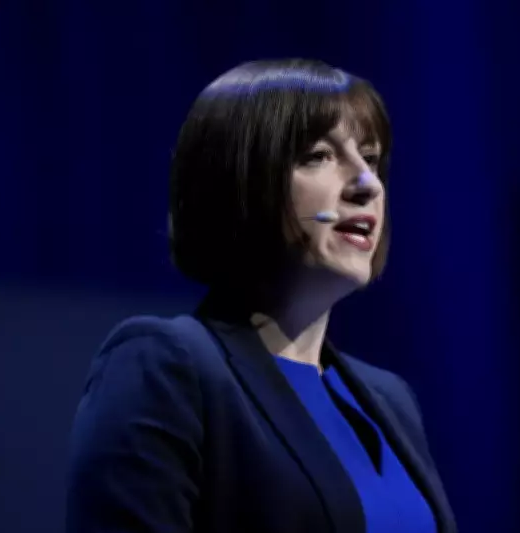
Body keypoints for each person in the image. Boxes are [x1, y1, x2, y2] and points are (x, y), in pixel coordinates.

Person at [65, 59, 457, 533]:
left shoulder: (389, 399)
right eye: (318, 155)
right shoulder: (167, 367)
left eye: (371, 159)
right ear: (240, 182)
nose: (367, 184)